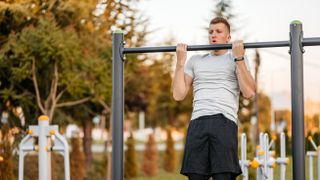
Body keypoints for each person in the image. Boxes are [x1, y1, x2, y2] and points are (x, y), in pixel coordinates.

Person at [172, 17, 256, 180]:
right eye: (210, 32)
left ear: (228, 37)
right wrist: (180, 63)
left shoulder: (237, 59)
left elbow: (249, 92)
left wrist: (239, 59)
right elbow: (178, 94)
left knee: (223, 176)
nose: (213, 35)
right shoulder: (196, 60)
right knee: (195, 176)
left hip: (224, 122)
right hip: (198, 122)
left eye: (218, 31)